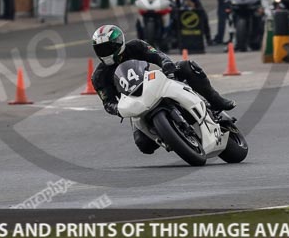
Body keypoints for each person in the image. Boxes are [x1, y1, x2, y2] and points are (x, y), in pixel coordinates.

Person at [91, 24, 235, 154]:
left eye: (108, 47)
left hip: (153, 83)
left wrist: (166, 63)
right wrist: (117, 109)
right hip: (134, 102)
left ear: (119, 43)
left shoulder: (136, 46)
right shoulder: (99, 76)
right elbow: (107, 102)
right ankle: (170, 138)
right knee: (144, 145)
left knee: (187, 66)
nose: (106, 52)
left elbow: (157, 55)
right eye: (101, 49)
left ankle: (215, 100)